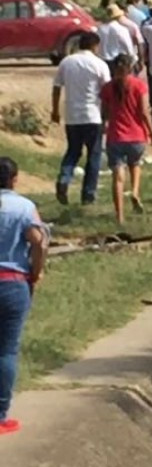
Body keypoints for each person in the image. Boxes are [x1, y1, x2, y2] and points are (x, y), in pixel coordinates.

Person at [0, 157, 49, 436]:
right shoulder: (24, 207)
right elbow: (38, 242)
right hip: (12, 282)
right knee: (6, 350)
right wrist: (36, 271)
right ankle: (0, 415)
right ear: (15, 179)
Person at [51, 32, 110, 205]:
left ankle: (64, 178)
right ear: (95, 46)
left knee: (73, 151)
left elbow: (56, 87)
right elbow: (107, 93)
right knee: (94, 155)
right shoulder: (100, 64)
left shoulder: (67, 62)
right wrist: (107, 116)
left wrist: (55, 111)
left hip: (72, 116)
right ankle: (88, 194)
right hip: (93, 115)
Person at [100, 55, 152, 225]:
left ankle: (120, 216)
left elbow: (105, 113)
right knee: (135, 164)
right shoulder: (139, 85)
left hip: (116, 136)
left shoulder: (107, 88)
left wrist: (105, 126)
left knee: (118, 177)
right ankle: (135, 191)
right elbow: (144, 112)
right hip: (136, 135)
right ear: (131, 68)